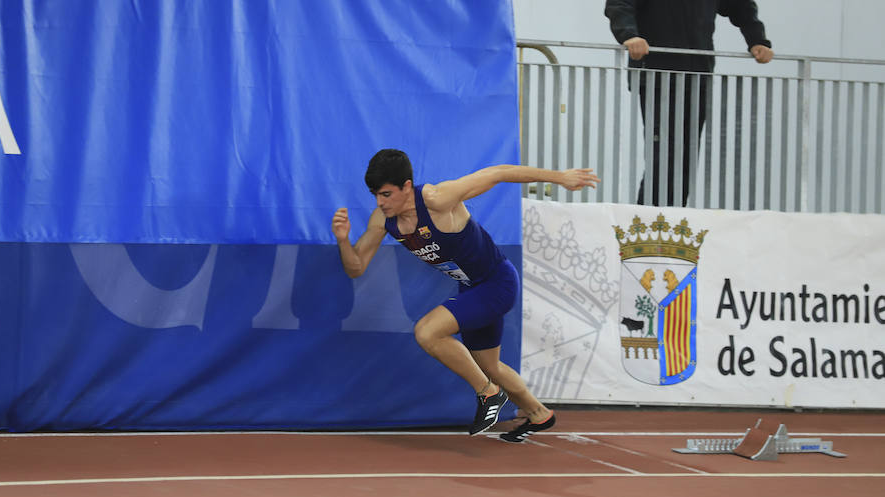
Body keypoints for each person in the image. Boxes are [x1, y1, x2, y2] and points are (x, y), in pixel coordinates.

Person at [331, 149, 599, 442]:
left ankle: (487, 393)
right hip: (472, 289)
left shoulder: (437, 199)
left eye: (385, 194)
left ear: (406, 186)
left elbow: (497, 173)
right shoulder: (383, 220)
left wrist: (559, 178)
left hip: (497, 283)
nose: (380, 203)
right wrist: (343, 240)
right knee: (489, 365)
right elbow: (356, 267)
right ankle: (538, 413)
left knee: (427, 332)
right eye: (375, 196)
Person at [605, 0, 773, 207]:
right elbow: (619, 4)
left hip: (696, 77)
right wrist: (629, 35)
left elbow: (742, 7)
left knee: (686, 157)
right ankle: (648, 220)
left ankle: (673, 219)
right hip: (657, 76)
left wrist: (758, 40)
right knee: (664, 155)